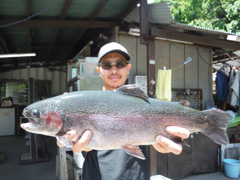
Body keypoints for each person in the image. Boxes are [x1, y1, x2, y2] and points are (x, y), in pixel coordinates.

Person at [57, 42, 190, 180]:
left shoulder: (144, 104)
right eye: (107, 65)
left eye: (119, 64)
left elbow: (156, 140)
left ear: (128, 68)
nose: (114, 70)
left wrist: (162, 145)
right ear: (99, 70)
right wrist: (63, 139)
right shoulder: (84, 104)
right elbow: (65, 138)